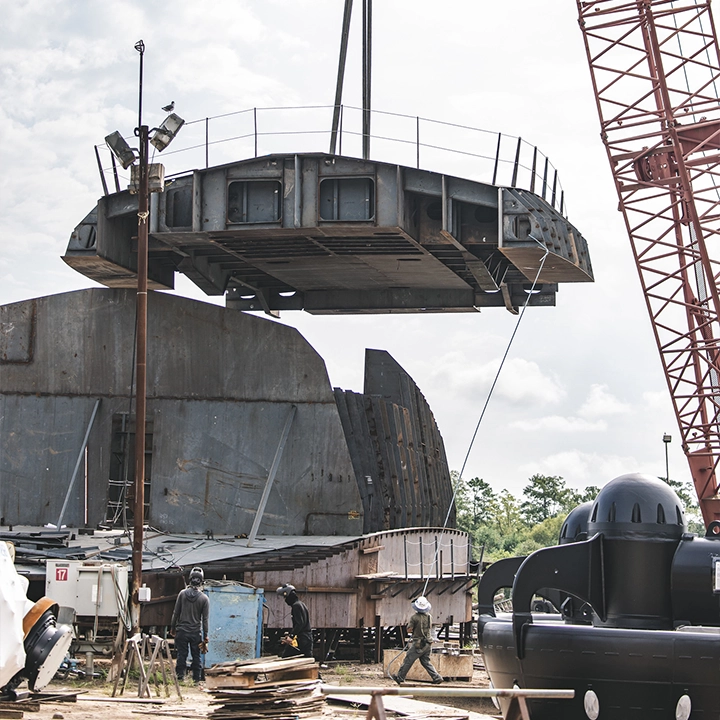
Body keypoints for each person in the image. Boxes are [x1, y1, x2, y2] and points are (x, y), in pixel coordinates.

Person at [392, 596, 443, 685]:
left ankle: (400, 678)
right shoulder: (429, 617)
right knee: (426, 661)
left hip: (418, 644)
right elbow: (429, 627)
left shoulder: (414, 617)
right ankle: (437, 677)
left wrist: (413, 628)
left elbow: (409, 629)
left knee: (408, 660)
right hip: (428, 643)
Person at [171, 567, 209, 683]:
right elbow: (205, 619)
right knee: (196, 656)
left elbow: (175, 613)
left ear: (190, 579)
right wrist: (206, 635)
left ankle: (180, 677)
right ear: (201, 581)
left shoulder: (182, 594)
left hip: (182, 631)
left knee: (182, 654)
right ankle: (196, 679)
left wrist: (173, 628)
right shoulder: (204, 598)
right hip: (195, 632)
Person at [276, 583, 313, 659]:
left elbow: (300, 623)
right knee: (306, 659)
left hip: (302, 638)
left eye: (285, 597)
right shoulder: (301, 604)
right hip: (307, 637)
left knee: (286, 657)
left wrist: (291, 636)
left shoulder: (296, 606)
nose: (285, 600)